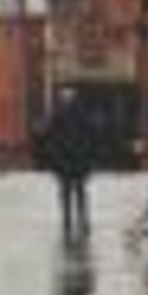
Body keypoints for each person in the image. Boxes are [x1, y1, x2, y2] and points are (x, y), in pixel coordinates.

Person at [39, 87, 94, 238]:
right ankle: (80, 220)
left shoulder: (57, 114)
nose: (66, 100)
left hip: (66, 159)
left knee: (68, 191)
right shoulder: (81, 114)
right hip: (75, 159)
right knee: (78, 191)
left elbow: (48, 135)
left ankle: (69, 221)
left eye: (67, 98)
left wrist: (52, 156)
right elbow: (91, 135)